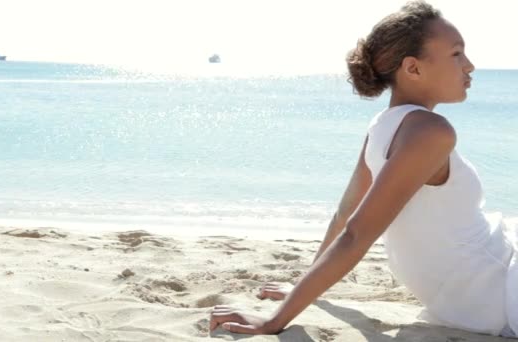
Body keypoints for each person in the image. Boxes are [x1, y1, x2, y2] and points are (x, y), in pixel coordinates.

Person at [209, 0, 518, 338]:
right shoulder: (431, 131)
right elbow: (355, 231)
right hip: (499, 292)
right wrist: (274, 321)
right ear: (413, 68)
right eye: (457, 54)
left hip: (482, 285)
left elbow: (345, 213)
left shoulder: (382, 127)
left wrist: (304, 286)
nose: (470, 66)